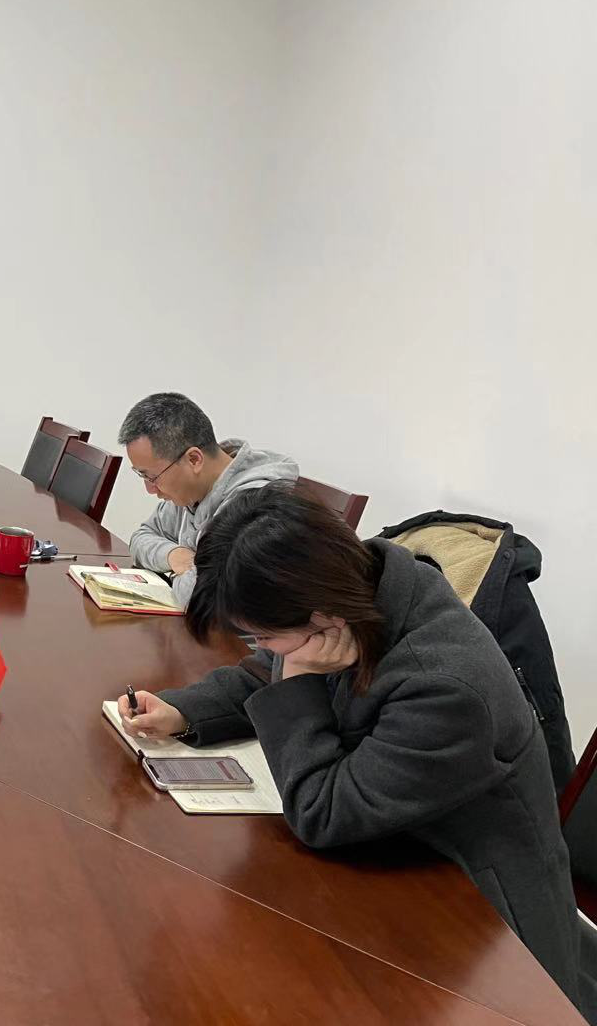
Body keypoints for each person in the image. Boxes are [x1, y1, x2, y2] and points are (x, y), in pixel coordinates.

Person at [120, 485, 597, 1019]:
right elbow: (269, 669)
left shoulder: (446, 687)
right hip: (394, 860)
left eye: (263, 636)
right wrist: (183, 710)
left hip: (481, 932)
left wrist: (297, 678)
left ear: (323, 620)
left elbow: (323, 812)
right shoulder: (354, 592)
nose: (262, 648)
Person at [117, 392, 296, 606]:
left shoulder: (254, 503)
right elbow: (141, 536)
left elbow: (201, 596)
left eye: (152, 477)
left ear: (194, 459)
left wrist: (184, 572)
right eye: (143, 476)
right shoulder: (190, 491)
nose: (149, 489)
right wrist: (175, 555)